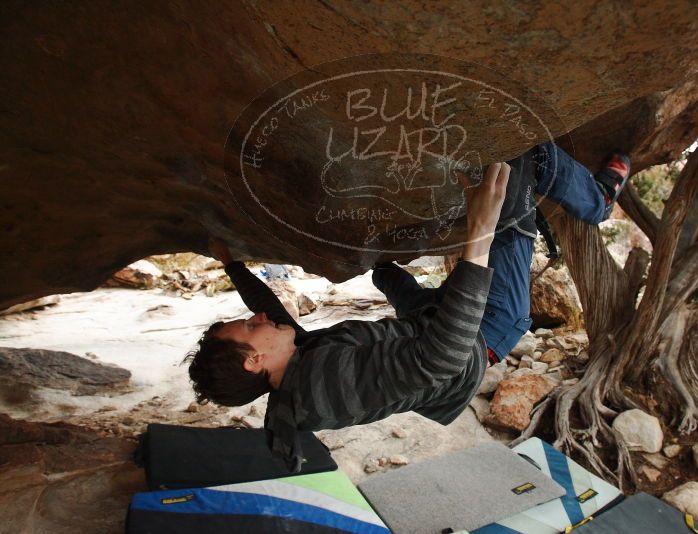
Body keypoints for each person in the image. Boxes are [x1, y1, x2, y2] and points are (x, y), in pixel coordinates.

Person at [185, 143, 630, 470]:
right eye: (247, 327)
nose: (258, 318)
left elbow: (272, 313)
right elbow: (443, 357)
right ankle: (600, 200)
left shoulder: (290, 370)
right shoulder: (327, 387)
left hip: (420, 325)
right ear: (254, 361)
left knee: (383, 269)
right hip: (478, 335)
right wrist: (479, 235)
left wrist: (233, 265)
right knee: (522, 166)